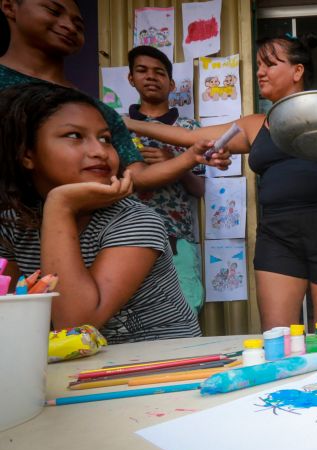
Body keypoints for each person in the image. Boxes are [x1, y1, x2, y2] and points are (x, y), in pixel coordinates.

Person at [125, 34, 317, 331]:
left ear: (297, 71)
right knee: (277, 337)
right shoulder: (254, 124)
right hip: (278, 237)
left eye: (269, 64)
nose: (260, 72)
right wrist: (127, 123)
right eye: (258, 65)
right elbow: (190, 137)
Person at [0, 83, 201, 344]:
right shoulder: (13, 223)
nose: (99, 151)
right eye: (74, 135)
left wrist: (60, 206)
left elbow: (75, 326)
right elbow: (13, 319)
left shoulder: (135, 220)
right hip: (68, 365)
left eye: (105, 139)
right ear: (27, 154)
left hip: (161, 361)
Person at [0, 0, 229, 190]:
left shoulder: (101, 113)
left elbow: (136, 175)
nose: (69, 26)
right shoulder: (112, 117)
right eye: (52, 10)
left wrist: (185, 159)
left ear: (172, 85)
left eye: (104, 140)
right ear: (9, 6)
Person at [125, 45, 205, 314]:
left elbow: (199, 188)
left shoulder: (189, 129)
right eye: (142, 70)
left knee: (185, 310)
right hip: (128, 237)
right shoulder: (117, 127)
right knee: (132, 314)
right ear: (131, 78)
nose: (151, 76)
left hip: (177, 239)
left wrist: (176, 162)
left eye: (159, 72)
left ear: (171, 84)